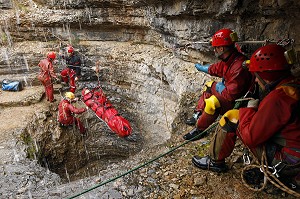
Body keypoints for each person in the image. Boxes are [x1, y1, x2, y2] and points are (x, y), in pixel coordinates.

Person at [192, 44, 300, 189]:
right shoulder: (293, 86)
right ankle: (197, 118)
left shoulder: (278, 98)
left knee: (231, 117)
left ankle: (214, 161)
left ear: (265, 76)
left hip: (291, 162)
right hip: (294, 150)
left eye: (257, 76)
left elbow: (251, 137)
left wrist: (249, 110)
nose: (255, 80)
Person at [183, 28, 254, 141]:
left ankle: (199, 129)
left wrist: (220, 89)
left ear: (221, 48)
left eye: (216, 48)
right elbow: (217, 68)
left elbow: (230, 96)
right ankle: (198, 114)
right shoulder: (230, 59)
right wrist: (203, 69)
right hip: (230, 94)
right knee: (209, 85)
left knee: (213, 102)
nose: (214, 50)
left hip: (236, 103)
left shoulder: (238, 66)